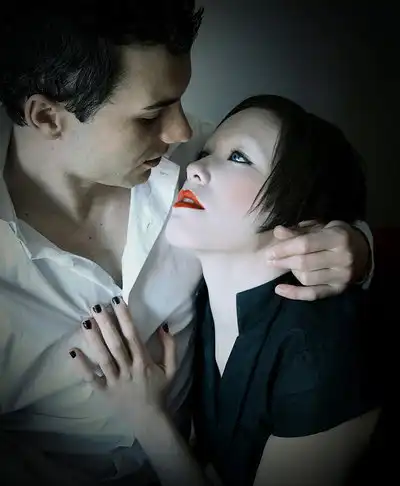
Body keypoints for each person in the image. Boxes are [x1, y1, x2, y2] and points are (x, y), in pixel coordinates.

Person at [0, 2, 372, 484]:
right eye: (151, 114)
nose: (182, 133)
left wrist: (358, 249)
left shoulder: (193, 162)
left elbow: (300, 189)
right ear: (48, 117)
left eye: (178, 101)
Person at [74, 95, 381, 486]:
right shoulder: (205, 304)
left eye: (239, 157)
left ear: (306, 219)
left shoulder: (323, 345)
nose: (195, 168)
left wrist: (146, 417)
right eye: (205, 153)